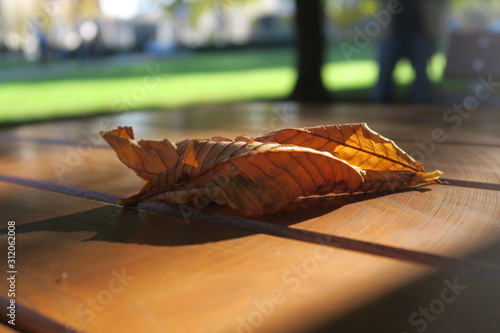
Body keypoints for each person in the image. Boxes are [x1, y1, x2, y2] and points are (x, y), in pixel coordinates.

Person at [372, 0, 448, 104]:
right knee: (383, 80)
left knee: (421, 81)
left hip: (422, 32)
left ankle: (421, 113)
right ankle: (380, 113)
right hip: (392, 32)